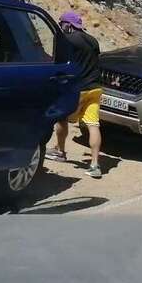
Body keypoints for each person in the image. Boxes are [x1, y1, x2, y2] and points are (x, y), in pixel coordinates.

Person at [45, 11, 103, 178]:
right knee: (93, 125)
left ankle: (60, 152)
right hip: (96, 88)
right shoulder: (93, 40)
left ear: (68, 25)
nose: (61, 26)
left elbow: (59, 62)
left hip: (78, 88)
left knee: (62, 117)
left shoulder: (67, 40)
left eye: (61, 23)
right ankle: (95, 164)